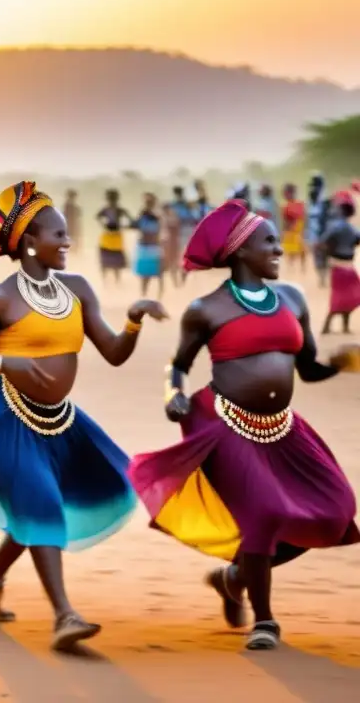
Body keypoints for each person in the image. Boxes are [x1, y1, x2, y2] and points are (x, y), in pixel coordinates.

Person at [0, 181, 165, 651]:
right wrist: (5, 362)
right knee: (40, 500)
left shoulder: (76, 289)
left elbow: (115, 353)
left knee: (83, 486)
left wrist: (134, 320)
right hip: (2, 413)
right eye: (58, 234)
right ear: (29, 241)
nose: (67, 242)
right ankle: (64, 615)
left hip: (56, 416)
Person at [128, 199, 360, 651]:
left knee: (335, 510)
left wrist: (342, 364)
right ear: (239, 252)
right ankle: (265, 621)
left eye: (276, 241)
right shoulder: (205, 309)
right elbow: (177, 367)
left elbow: (308, 369)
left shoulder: (292, 298)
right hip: (223, 424)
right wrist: (171, 395)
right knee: (264, 514)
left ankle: (235, 575)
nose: (278, 249)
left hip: (281, 428)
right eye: (268, 242)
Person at [320, 191, 360, 334]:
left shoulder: (334, 227)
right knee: (349, 296)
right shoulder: (353, 229)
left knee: (339, 297)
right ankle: (340, 326)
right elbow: (357, 242)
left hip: (337, 265)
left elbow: (323, 242)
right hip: (348, 266)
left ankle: (329, 325)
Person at [132, 192, 164, 297]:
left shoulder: (155, 215)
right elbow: (135, 225)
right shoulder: (144, 214)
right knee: (147, 273)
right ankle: (145, 294)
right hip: (146, 246)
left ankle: (159, 294)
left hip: (151, 246)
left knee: (157, 271)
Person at [95, 189, 130, 281]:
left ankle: (116, 280)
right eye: (110, 198)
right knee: (106, 258)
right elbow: (97, 217)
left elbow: (130, 219)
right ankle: (105, 280)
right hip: (108, 235)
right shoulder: (106, 209)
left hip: (115, 236)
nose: (111, 200)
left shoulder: (119, 210)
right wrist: (103, 225)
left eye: (113, 198)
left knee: (115, 260)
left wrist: (123, 226)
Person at [307, 173, 332, 287]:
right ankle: (321, 277)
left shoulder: (326, 202)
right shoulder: (310, 203)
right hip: (314, 234)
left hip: (324, 233)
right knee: (317, 256)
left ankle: (324, 276)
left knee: (325, 256)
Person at [280, 183, 306, 273]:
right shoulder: (285, 206)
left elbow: (303, 218)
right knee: (290, 251)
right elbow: (284, 220)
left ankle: (302, 269)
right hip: (290, 231)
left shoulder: (299, 204)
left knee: (301, 250)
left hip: (298, 229)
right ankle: (291, 269)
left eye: (285, 193)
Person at [63, 189, 82, 254]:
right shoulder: (69, 205)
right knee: (72, 238)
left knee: (73, 238)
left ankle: (74, 251)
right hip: (70, 224)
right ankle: (73, 251)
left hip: (71, 224)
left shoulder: (69, 205)